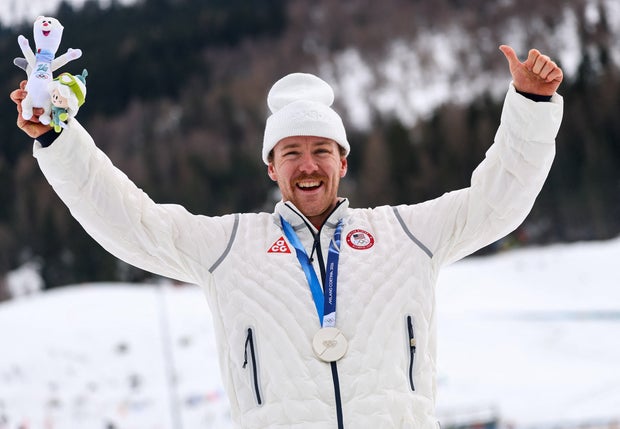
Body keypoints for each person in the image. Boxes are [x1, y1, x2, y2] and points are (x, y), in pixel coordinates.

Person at [10, 45, 563, 428]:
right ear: (270, 168)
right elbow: (128, 222)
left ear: (342, 161)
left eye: (321, 150)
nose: (307, 165)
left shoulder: (405, 235)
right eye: (290, 153)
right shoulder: (229, 249)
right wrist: (60, 139)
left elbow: (497, 204)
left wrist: (531, 107)